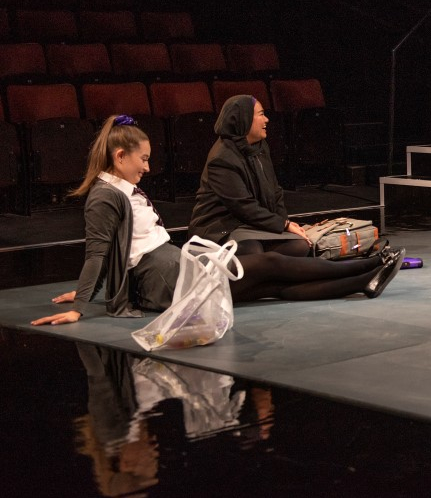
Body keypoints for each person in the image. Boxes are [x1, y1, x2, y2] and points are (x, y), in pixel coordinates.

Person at [31, 115, 402, 327]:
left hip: (177, 266)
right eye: (142, 159)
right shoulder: (103, 196)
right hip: (166, 281)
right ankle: (368, 266)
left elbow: (116, 252)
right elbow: (99, 252)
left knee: (272, 286)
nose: (147, 167)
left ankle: (364, 280)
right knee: (269, 265)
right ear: (119, 156)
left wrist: (88, 293)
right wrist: (81, 303)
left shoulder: (120, 188)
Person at [188, 94, 315, 255]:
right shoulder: (222, 158)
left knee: (298, 246)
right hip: (222, 227)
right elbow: (243, 206)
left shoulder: (260, 147)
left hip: (251, 224)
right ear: (244, 119)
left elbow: (275, 191)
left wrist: (286, 223)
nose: (267, 119)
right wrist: (283, 225)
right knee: (251, 250)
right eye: (261, 114)